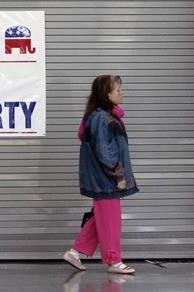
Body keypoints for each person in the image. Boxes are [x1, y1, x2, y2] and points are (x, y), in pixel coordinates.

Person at [63, 75, 139, 275]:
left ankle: (75, 252)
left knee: (102, 219)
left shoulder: (107, 115)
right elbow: (104, 152)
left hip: (104, 178)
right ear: (106, 94)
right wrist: (118, 175)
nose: (121, 93)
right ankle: (114, 261)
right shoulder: (101, 117)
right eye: (117, 90)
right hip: (105, 179)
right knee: (111, 221)